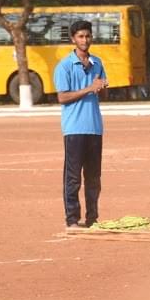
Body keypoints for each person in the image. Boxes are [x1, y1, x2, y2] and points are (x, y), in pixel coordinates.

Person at [54, 20, 108, 231]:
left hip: (94, 127)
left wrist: (102, 87)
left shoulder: (97, 63)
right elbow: (62, 97)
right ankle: (72, 219)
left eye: (88, 36)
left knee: (94, 178)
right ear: (73, 39)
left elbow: (102, 94)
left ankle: (93, 218)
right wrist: (89, 88)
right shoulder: (65, 65)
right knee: (73, 177)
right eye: (81, 36)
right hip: (74, 128)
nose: (85, 40)